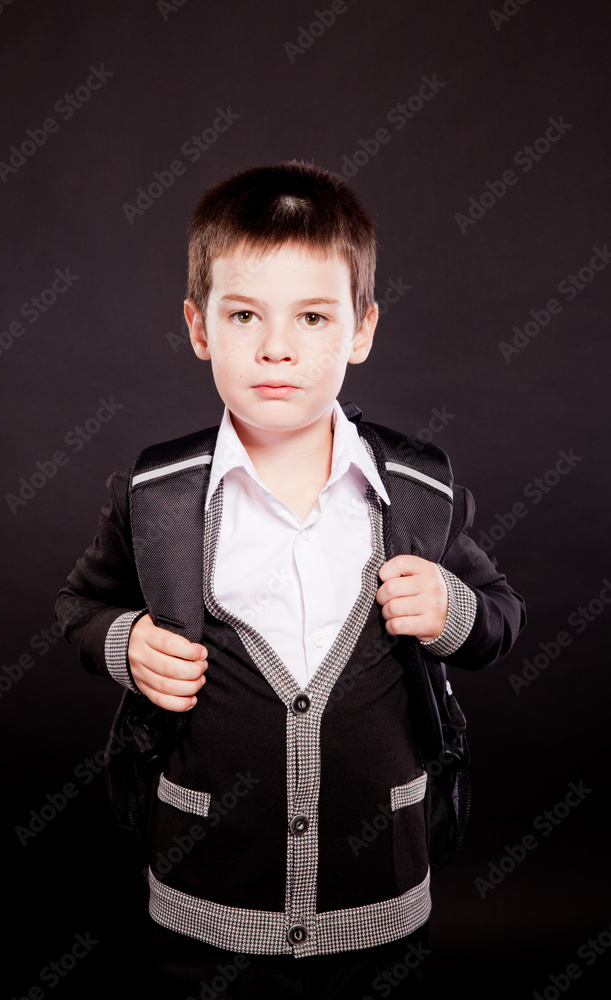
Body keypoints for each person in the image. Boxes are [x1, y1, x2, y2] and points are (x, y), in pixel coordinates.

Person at [55, 160, 526, 998]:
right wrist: (125, 645)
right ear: (199, 327)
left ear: (361, 329)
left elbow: (500, 617)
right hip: (204, 902)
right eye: (245, 315)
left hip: (379, 897)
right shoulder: (156, 495)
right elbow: (79, 606)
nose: (277, 346)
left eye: (312, 316)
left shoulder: (418, 489)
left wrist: (450, 609)